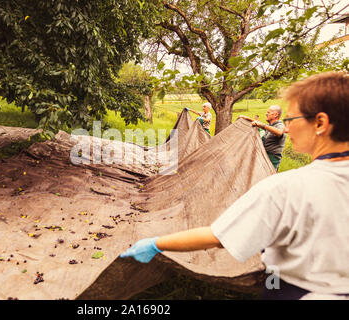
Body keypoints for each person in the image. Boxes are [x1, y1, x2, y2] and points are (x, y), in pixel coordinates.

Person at [121, 71, 349, 300]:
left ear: (320, 122)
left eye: (290, 119)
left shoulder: (287, 189)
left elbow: (217, 236)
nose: (287, 129)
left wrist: (155, 243)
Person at [239, 106, 286, 171]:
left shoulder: (280, 125)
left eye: (268, 112)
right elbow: (262, 125)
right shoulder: (270, 126)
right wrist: (247, 118)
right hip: (264, 157)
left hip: (272, 159)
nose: (266, 114)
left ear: (275, 115)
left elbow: (280, 132)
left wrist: (262, 125)